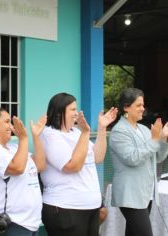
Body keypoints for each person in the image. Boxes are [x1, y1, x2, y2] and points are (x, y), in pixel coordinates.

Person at [39, 92, 117, 236]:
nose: (76, 113)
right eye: (72, 109)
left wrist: (102, 128)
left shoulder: (76, 133)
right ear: (59, 111)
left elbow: (98, 157)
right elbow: (72, 166)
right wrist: (85, 133)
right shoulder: (49, 134)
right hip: (65, 208)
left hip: (89, 206)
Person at [109, 88, 168, 236]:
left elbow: (158, 157)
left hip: (145, 192)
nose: (143, 109)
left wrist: (165, 138)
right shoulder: (119, 131)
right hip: (130, 193)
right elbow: (132, 158)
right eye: (139, 105)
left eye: (143, 105)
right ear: (126, 107)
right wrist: (155, 139)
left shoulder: (144, 129)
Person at [0, 107, 47, 236]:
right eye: (7, 121)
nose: (11, 126)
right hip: (8, 224)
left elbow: (40, 165)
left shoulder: (13, 148)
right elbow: (17, 168)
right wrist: (23, 139)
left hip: (28, 222)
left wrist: (36, 136)